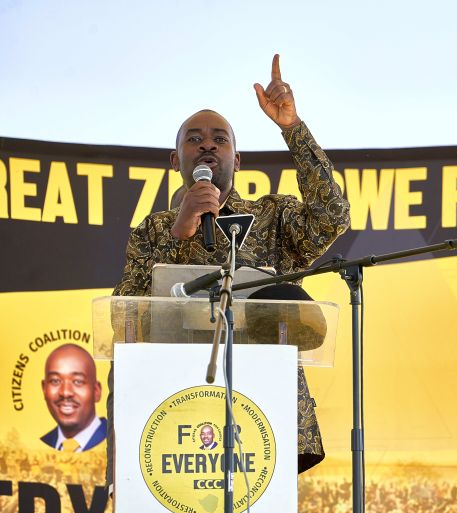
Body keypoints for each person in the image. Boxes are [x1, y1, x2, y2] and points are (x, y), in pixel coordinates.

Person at [109, 54, 350, 486]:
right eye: (195, 139)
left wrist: (292, 130)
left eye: (220, 140)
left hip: (265, 404)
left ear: (237, 160)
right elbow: (124, 317)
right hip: (174, 409)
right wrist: (178, 234)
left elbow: (333, 215)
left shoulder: (271, 216)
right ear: (175, 159)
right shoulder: (153, 230)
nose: (207, 146)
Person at [40, 344, 107, 452]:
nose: (65, 392)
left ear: (96, 391)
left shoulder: (116, 438)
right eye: (55, 381)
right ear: (44, 389)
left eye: (78, 381)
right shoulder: (42, 444)